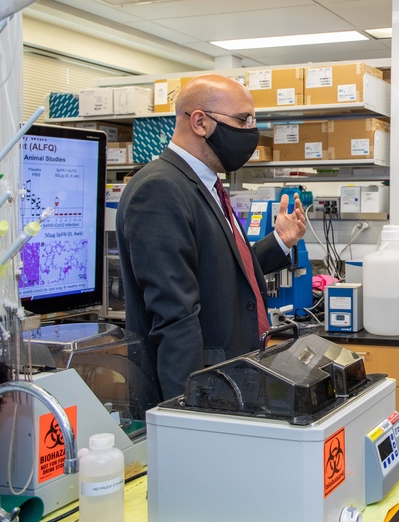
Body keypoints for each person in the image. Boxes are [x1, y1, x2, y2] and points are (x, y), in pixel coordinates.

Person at [118, 75, 307, 400]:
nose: (252, 131)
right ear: (200, 122)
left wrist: (280, 240)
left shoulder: (204, 185)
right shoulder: (160, 189)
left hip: (231, 378)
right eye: (243, 120)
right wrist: (191, 412)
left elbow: (222, 271)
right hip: (202, 388)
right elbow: (175, 317)